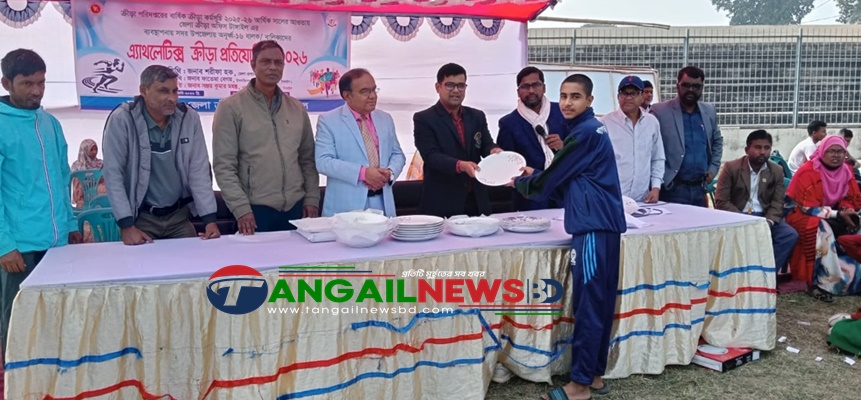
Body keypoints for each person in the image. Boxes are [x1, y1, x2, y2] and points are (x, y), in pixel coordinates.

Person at [509, 74, 626, 400]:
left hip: (591, 229)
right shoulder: (592, 130)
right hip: (604, 227)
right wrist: (535, 174)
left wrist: (517, 182)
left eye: (575, 96)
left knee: (588, 306)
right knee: (600, 304)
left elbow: (549, 182)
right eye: (563, 96)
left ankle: (579, 385)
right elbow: (567, 176)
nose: (567, 102)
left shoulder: (584, 133)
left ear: (590, 101)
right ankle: (594, 374)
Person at [0, 49, 82, 353]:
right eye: (27, 83)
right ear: (6, 83)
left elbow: (62, 178)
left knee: (54, 317)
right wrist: (4, 244)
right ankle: (18, 375)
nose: (36, 90)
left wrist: (70, 224)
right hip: (19, 246)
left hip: (56, 242)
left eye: (41, 82)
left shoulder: (50, 123)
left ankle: (53, 373)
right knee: (19, 323)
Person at [102, 65, 220, 245]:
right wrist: (127, 225)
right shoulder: (123, 119)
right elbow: (113, 174)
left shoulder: (189, 118)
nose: (172, 98)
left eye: (175, 91)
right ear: (144, 90)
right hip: (140, 221)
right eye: (163, 91)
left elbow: (198, 170)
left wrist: (210, 220)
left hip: (179, 219)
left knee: (193, 262)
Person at [213, 40, 320, 233]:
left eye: (278, 63)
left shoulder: (296, 108)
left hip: (296, 208)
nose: (273, 67)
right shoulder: (230, 108)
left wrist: (312, 198)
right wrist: (241, 208)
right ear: (253, 65)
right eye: (266, 61)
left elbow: (307, 160)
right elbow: (224, 166)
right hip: (254, 211)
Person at [413, 63, 502, 218]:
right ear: (438, 87)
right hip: (442, 202)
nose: (456, 90)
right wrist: (461, 165)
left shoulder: (477, 116)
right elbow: (431, 156)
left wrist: (494, 151)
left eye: (461, 86)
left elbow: (485, 144)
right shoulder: (424, 119)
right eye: (450, 85)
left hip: (477, 200)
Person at [315, 68, 406, 217]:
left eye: (374, 90)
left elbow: (397, 154)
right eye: (365, 92)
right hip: (346, 208)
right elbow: (323, 162)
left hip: (383, 203)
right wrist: (363, 173)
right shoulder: (328, 121)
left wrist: (389, 173)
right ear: (347, 96)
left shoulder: (385, 119)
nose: (373, 96)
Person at [786, 135, 861, 302]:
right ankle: (824, 282)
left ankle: (855, 278)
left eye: (840, 152)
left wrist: (847, 211)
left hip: (835, 213)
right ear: (822, 152)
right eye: (831, 151)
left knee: (857, 225)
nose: (836, 155)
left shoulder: (846, 170)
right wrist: (838, 214)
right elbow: (807, 207)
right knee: (822, 230)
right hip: (803, 215)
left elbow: (850, 198)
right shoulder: (808, 171)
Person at [714, 130, 798, 274]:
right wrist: (744, 220)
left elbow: (778, 202)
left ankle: (767, 274)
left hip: (764, 217)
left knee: (789, 235)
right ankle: (739, 275)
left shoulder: (776, 170)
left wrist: (768, 222)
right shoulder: (731, 168)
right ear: (747, 149)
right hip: (736, 216)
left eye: (767, 148)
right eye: (758, 147)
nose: (763, 152)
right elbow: (721, 201)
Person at [496, 66, 567, 211]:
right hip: (529, 199)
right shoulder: (509, 123)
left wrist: (563, 146)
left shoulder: (563, 113)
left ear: (544, 87)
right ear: (518, 91)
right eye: (525, 86)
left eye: (536, 85)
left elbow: (582, 150)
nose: (531, 91)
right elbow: (506, 164)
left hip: (565, 191)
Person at [651, 66, 723, 207]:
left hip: (699, 189)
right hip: (671, 188)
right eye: (686, 85)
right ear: (677, 86)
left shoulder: (709, 111)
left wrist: (713, 169)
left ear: (702, 88)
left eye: (696, 86)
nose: (691, 90)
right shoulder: (660, 112)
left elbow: (717, 141)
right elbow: (650, 148)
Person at [601, 75, 665, 203]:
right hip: (612, 198)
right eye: (624, 93)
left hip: (643, 200)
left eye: (633, 93)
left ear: (642, 96)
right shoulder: (605, 123)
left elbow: (657, 158)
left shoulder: (652, 123)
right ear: (618, 96)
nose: (628, 98)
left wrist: (656, 187)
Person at [70, 138, 106, 209]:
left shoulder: (101, 163)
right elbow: (75, 184)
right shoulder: (77, 165)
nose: (94, 152)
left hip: (100, 193)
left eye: (96, 149)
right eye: (91, 149)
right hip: (82, 195)